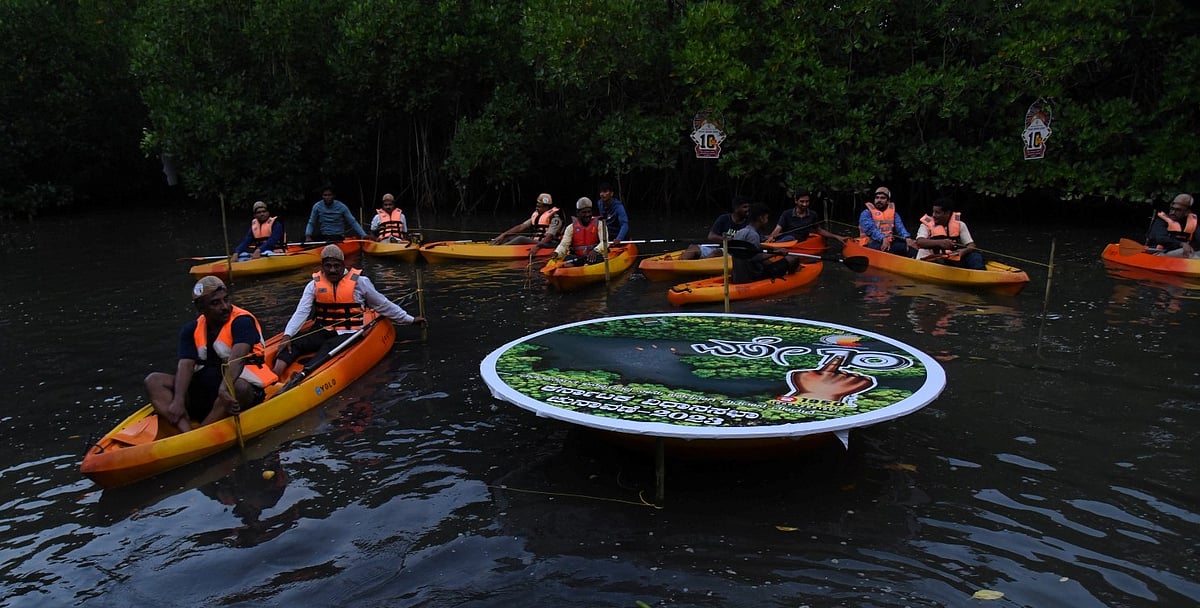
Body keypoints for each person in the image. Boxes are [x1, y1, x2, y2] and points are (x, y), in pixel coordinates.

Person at [145, 276, 277, 434]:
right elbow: (185, 365)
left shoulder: (242, 322)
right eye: (215, 303)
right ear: (201, 309)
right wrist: (178, 400)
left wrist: (223, 390)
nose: (225, 307)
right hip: (205, 392)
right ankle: (186, 432)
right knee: (153, 381)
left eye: (226, 300)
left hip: (236, 392)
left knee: (237, 387)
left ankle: (201, 433)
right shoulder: (190, 330)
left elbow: (237, 360)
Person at [273, 245, 426, 378]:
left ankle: (304, 375)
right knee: (296, 343)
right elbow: (301, 312)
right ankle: (276, 373)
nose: (332, 270)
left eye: (336, 266)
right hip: (323, 329)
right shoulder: (313, 285)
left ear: (343, 264)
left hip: (350, 333)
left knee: (329, 347)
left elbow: (383, 305)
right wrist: (288, 335)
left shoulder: (361, 283)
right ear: (322, 266)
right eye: (328, 266)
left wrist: (409, 319)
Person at [730, 203, 800, 283]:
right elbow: (755, 258)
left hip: (737, 276)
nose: (767, 221)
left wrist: (774, 249)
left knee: (767, 262)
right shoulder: (753, 235)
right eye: (766, 218)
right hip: (753, 277)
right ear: (761, 218)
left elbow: (754, 247)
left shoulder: (741, 232)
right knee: (793, 258)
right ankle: (790, 279)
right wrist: (776, 253)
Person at [914, 198, 986, 270]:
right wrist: (940, 242)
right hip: (930, 259)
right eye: (933, 212)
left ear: (947, 213)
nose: (934, 215)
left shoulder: (960, 225)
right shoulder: (925, 225)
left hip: (950, 259)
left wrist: (964, 251)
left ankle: (982, 275)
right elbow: (920, 242)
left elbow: (971, 245)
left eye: (937, 212)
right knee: (925, 252)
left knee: (975, 256)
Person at [679, 195, 752, 260]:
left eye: (748, 207)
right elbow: (711, 236)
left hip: (734, 251)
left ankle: (699, 266)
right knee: (693, 248)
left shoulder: (749, 223)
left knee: (717, 252)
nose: (748, 210)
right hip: (718, 247)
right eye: (745, 207)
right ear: (736, 209)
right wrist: (726, 239)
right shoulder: (724, 218)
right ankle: (680, 263)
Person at [550, 197, 609, 268]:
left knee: (597, 259)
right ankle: (575, 267)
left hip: (594, 256)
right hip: (578, 257)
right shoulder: (570, 228)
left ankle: (584, 267)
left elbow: (604, 242)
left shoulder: (600, 224)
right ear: (578, 213)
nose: (587, 215)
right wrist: (557, 252)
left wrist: (595, 251)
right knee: (567, 260)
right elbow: (564, 245)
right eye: (584, 212)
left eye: (589, 212)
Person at [858, 186, 916, 255]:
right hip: (871, 243)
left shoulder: (894, 214)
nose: (879, 200)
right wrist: (883, 238)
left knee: (911, 248)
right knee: (888, 249)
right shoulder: (866, 213)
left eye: (882, 198)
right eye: (877, 197)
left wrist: (907, 238)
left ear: (888, 201)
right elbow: (871, 229)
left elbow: (900, 228)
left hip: (889, 241)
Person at [490, 193, 563, 246]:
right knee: (508, 237)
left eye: (539, 207)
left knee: (521, 239)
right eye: (536, 206)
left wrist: (538, 247)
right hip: (536, 241)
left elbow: (549, 237)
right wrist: (503, 234)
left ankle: (502, 249)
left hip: (548, 244)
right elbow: (521, 227)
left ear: (546, 207)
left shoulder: (555, 219)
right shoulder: (537, 215)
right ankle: (495, 243)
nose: (536, 208)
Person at [766, 190, 842, 243]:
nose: (805, 204)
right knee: (789, 238)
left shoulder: (813, 214)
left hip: (799, 242)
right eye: (802, 201)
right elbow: (778, 229)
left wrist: (837, 237)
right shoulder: (787, 214)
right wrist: (771, 237)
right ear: (796, 201)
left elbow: (819, 230)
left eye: (807, 201)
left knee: (791, 238)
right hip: (787, 240)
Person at [1146, 193, 1198, 258]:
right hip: (1159, 254)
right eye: (1172, 209)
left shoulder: (1192, 222)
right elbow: (1161, 238)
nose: (1173, 212)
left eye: (1178, 210)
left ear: (1187, 212)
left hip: (1179, 254)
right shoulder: (1161, 221)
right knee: (1187, 253)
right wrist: (1182, 244)